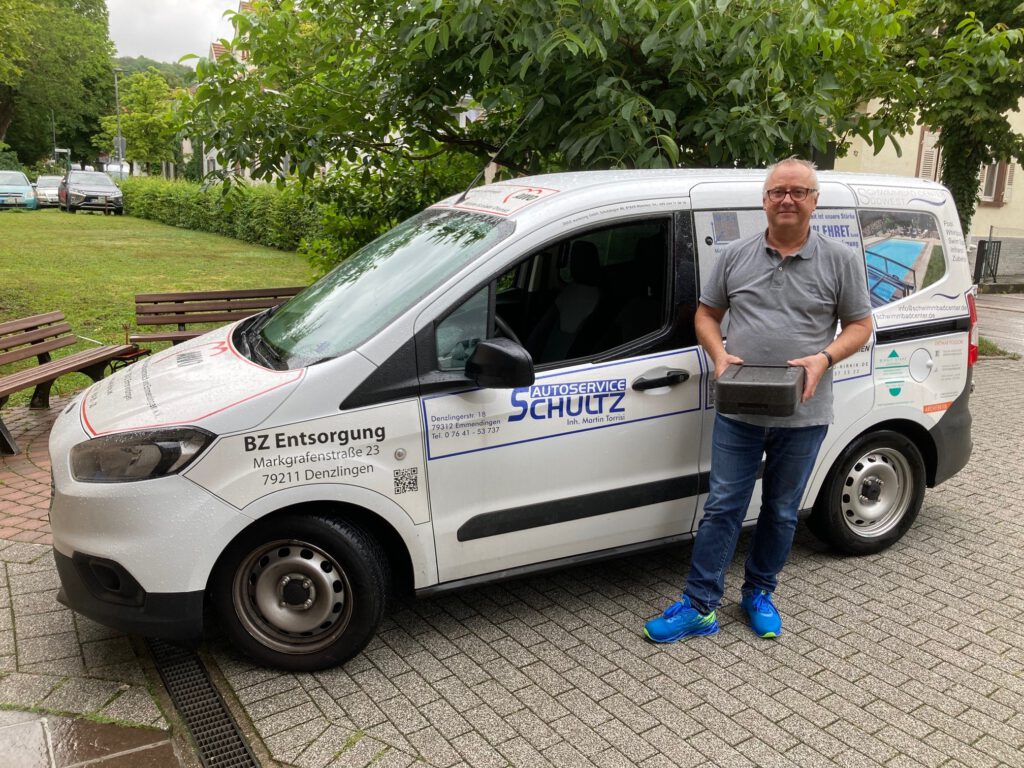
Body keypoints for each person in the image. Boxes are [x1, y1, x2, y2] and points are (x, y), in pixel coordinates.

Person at [644, 157, 874, 642]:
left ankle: (759, 592)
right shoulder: (735, 255)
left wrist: (824, 359)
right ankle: (700, 605)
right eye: (777, 191)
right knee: (723, 505)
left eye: (798, 191)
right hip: (739, 409)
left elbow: (860, 325)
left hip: (805, 412)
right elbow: (706, 315)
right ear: (764, 200)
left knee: (782, 510)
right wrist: (719, 356)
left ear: (814, 201)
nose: (787, 199)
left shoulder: (840, 260)